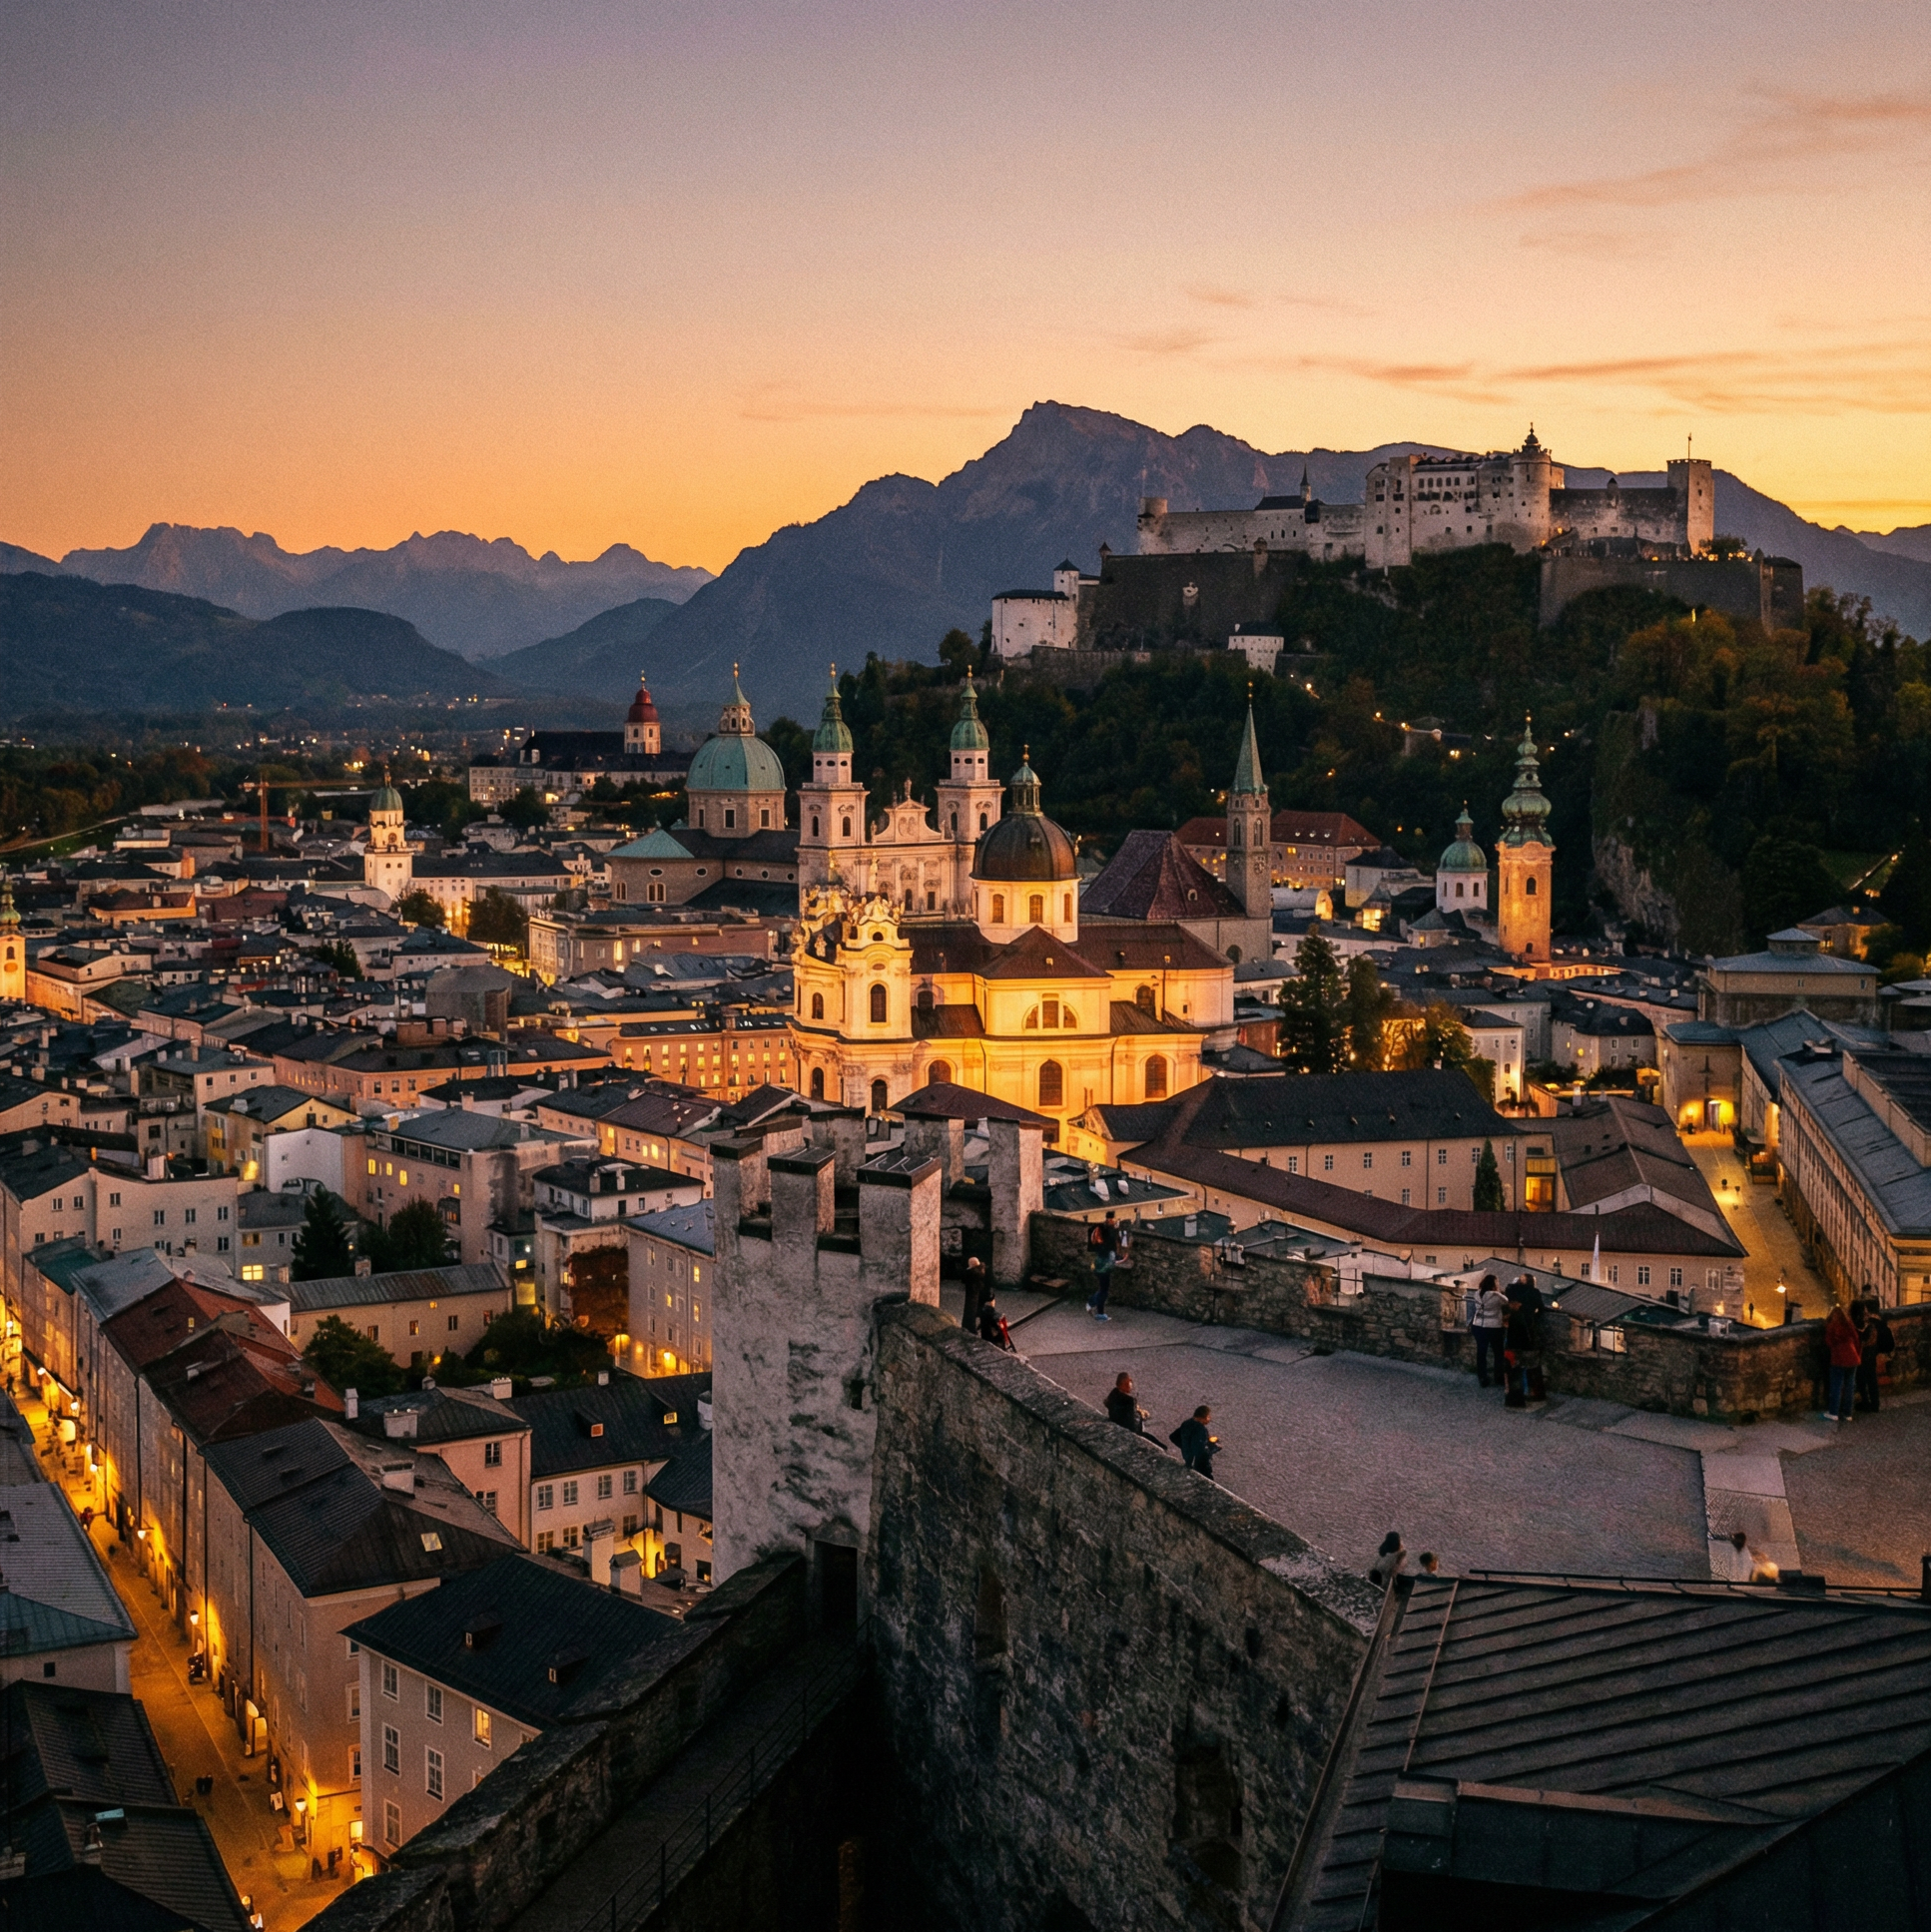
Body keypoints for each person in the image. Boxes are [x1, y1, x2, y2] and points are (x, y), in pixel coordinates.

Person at [1504, 1274, 1545, 1407]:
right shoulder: (1534, 1292)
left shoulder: (1511, 1291)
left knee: (1514, 1365)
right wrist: (1533, 1317)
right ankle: (1535, 1393)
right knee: (1532, 1364)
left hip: (1513, 1332)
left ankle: (1515, 1398)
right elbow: (1541, 1309)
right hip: (1528, 1331)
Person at [1823, 1299, 1861, 1423]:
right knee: (1850, 1386)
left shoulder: (1832, 1326)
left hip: (1839, 1359)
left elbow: (1829, 1342)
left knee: (1836, 1386)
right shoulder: (1849, 1324)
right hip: (1853, 1358)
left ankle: (1833, 1412)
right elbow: (1856, 1339)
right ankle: (1848, 1413)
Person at [1855, 1297, 1894, 1414]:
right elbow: (1890, 1344)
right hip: (1873, 1358)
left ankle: (1866, 1403)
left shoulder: (1868, 1325)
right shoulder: (1883, 1325)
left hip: (1865, 1356)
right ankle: (1875, 1404)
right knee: (1872, 1381)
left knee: (1862, 1380)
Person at [1472, 1274, 1508, 1389]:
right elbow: (1506, 1301)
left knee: (1481, 1353)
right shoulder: (1496, 1296)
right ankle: (1498, 1377)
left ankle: (1482, 1377)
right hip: (1493, 1327)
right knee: (1498, 1353)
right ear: (1494, 1284)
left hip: (1478, 1325)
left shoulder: (1476, 1293)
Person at [1086, 1211, 1121, 1321]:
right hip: (1104, 1265)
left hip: (1099, 1263)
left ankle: (1095, 1306)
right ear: (1111, 1219)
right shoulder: (1109, 1231)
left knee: (1103, 1289)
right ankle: (1096, 1308)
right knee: (1104, 1290)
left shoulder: (1101, 1228)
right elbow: (1111, 1249)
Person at [1170, 1406, 1218, 1478]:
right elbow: (1200, 1451)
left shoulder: (1186, 1423)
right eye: (1208, 1417)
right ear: (1202, 1417)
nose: (1209, 1419)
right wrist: (1213, 1447)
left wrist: (1185, 1447)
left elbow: (1173, 1437)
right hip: (1200, 1465)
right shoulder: (1201, 1430)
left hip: (1188, 1460)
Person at [959, 1256, 987, 1339]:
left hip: (973, 1295)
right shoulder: (980, 1271)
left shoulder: (972, 1273)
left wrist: (967, 1270)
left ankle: (970, 1330)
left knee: (970, 1313)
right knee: (973, 1313)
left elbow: (964, 1277)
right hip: (976, 1294)